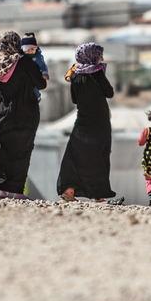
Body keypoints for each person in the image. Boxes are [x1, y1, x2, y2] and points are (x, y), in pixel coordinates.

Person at [0, 30, 47, 198]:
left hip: (5, 113)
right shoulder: (25, 63)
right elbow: (42, 84)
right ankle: (18, 192)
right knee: (22, 150)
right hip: (27, 113)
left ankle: (3, 189)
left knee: (2, 147)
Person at [57, 42, 117, 203]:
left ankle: (69, 190)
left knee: (75, 155)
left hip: (82, 121)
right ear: (93, 56)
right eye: (99, 55)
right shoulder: (97, 73)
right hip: (100, 122)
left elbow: (74, 99)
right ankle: (98, 194)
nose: (101, 58)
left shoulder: (75, 74)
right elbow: (109, 93)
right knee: (99, 156)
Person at [21, 32, 50, 100]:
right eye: (28, 50)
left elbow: (43, 66)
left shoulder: (38, 57)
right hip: (24, 78)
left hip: (34, 77)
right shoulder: (21, 56)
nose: (30, 52)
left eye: (32, 49)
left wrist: (45, 73)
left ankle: (37, 96)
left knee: (33, 88)